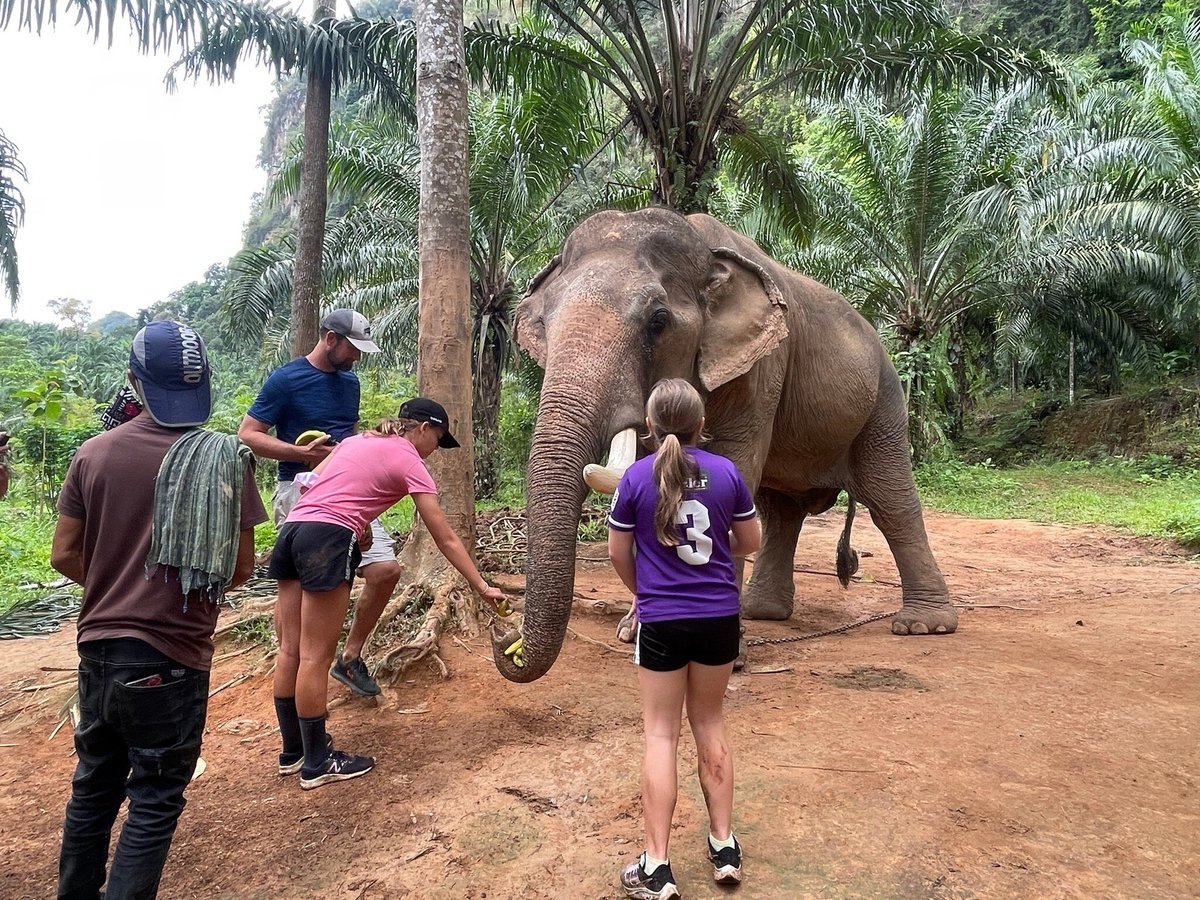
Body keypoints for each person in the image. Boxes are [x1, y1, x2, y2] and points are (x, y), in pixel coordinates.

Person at [51, 321, 267, 900]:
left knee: (94, 784)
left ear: (133, 381)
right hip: (174, 654)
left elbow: (64, 554)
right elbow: (239, 568)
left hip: (98, 650)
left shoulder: (92, 455)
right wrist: (173, 590)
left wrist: (114, 588)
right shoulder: (225, 458)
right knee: (154, 797)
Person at [268, 397, 507, 790]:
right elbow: (444, 536)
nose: (435, 450)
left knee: (290, 650)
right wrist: (481, 585)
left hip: (294, 528)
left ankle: (293, 751)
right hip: (327, 537)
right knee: (314, 655)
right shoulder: (409, 459)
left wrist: (355, 520)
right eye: (438, 439)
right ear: (424, 429)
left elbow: (308, 482)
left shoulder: (356, 441)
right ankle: (316, 763)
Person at [607, 378, 762, 900]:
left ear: (649, 427)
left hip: (662, 621)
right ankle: (723, 846)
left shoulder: (633, 478)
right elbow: (751, 541)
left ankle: (657, 866)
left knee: (660, 734)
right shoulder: (726, 474)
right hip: (719, 617)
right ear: (701, 424)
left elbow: (616, 553)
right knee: (710, 722)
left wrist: (644, 591)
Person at [239, 308, 399, 698]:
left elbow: (349, 436)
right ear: (330, 338)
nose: (357, 357)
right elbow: (248, 434)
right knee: (295, 590)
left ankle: (350, 657)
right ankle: (291, 664)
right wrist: (300, 452)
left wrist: (374, 438)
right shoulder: (286, 379)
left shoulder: (350, 383)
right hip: (299, 491)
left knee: (385, 570)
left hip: (347, 492)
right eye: (352, 348)